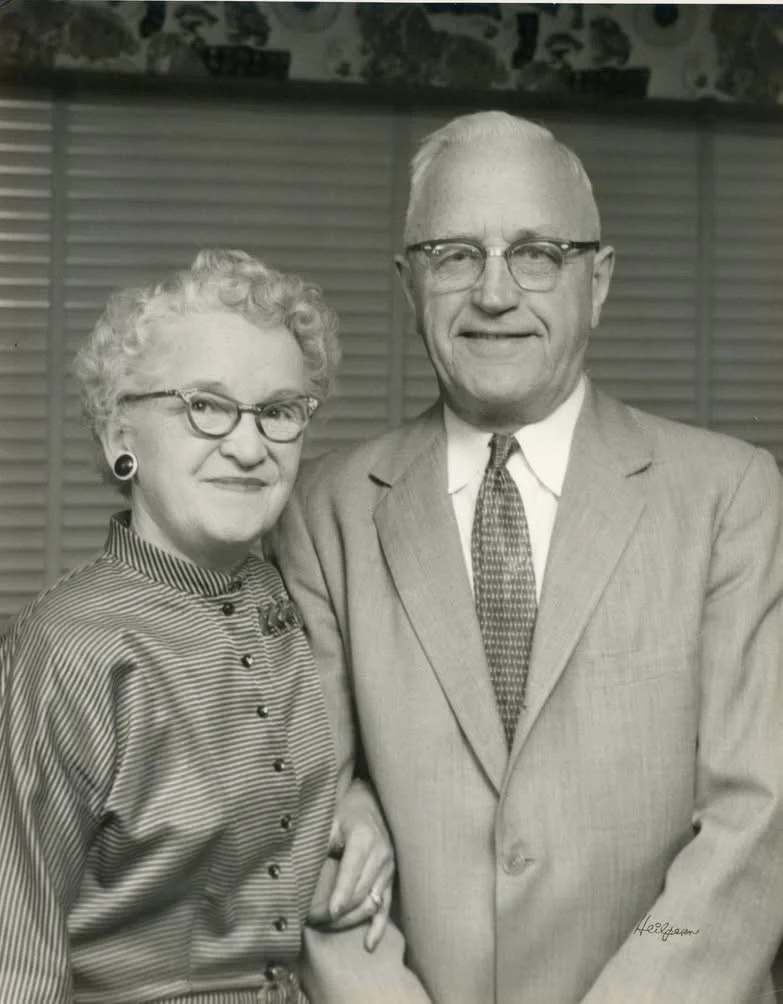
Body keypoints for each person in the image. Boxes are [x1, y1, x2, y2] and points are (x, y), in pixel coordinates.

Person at [271, 112, 783, 1003]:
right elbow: (301, 820)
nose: (494, 293)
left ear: (598, 280)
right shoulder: (323, 513)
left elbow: (755, 822)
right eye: (453, 256)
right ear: (408, 284)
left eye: (537, 253)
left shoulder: (729, 495)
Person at [0, 249, 425, 1003]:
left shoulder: (292, 596)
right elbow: (16, 955)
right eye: (205, 405)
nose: (249, 446)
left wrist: (357, 805)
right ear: (120, 436)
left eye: (278, 411)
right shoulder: (66, 649)